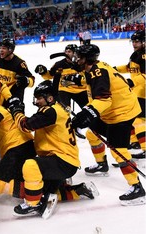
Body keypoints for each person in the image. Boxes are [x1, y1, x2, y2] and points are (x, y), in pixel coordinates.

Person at [62, 44, 145, 206]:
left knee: (118, 150)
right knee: (92, 134)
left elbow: (103, 98)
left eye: (80, 57)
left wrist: (88, 113)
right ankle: (102, 164)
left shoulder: (98, 71)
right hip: (112, 110)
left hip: (121, 113)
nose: (77, 59)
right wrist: (77, 79)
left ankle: (137, 187)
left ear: (87, 59)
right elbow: (93, 80)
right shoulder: (95, 68)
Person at [8, 80, 81, 217]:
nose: (37, 101)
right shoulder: (57, 108)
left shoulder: (50, 112)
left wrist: (16, 110)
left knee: (30, 166)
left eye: (39, 98)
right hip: (64, 160)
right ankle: (80, 190)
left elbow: (26, 125)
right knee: (46, 192)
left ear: (50, 98)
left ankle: (33, 204)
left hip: (62, 162)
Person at [34, 44, 88, 138]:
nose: (67, 53)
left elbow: (87, 77)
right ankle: (67, 128)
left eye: (69, 51)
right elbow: (49, 75)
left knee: (88, 109)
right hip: (64, 90)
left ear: (75, 53)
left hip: (80, 90)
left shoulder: (81, 63)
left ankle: (78, 125)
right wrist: (43, 71)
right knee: (64, 111)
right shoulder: (59, 64)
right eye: (66, 51)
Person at [114, 30, 145, 159]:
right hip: (136, 92)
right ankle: (135, 142)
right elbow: (129, 68)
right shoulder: (135, 55)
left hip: (143, 94)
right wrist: (114, 69)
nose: (134, 44)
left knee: (139, 120)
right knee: (131, 118)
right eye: (133, 41)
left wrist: (132, 81)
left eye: (137, 41)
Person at [0, 38, 35, 107]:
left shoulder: (19, 63)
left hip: (13, 100)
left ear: (10, 50)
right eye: (0, 48)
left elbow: (32, 79)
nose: (1, 50)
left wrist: (27, 81)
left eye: (4, 48)